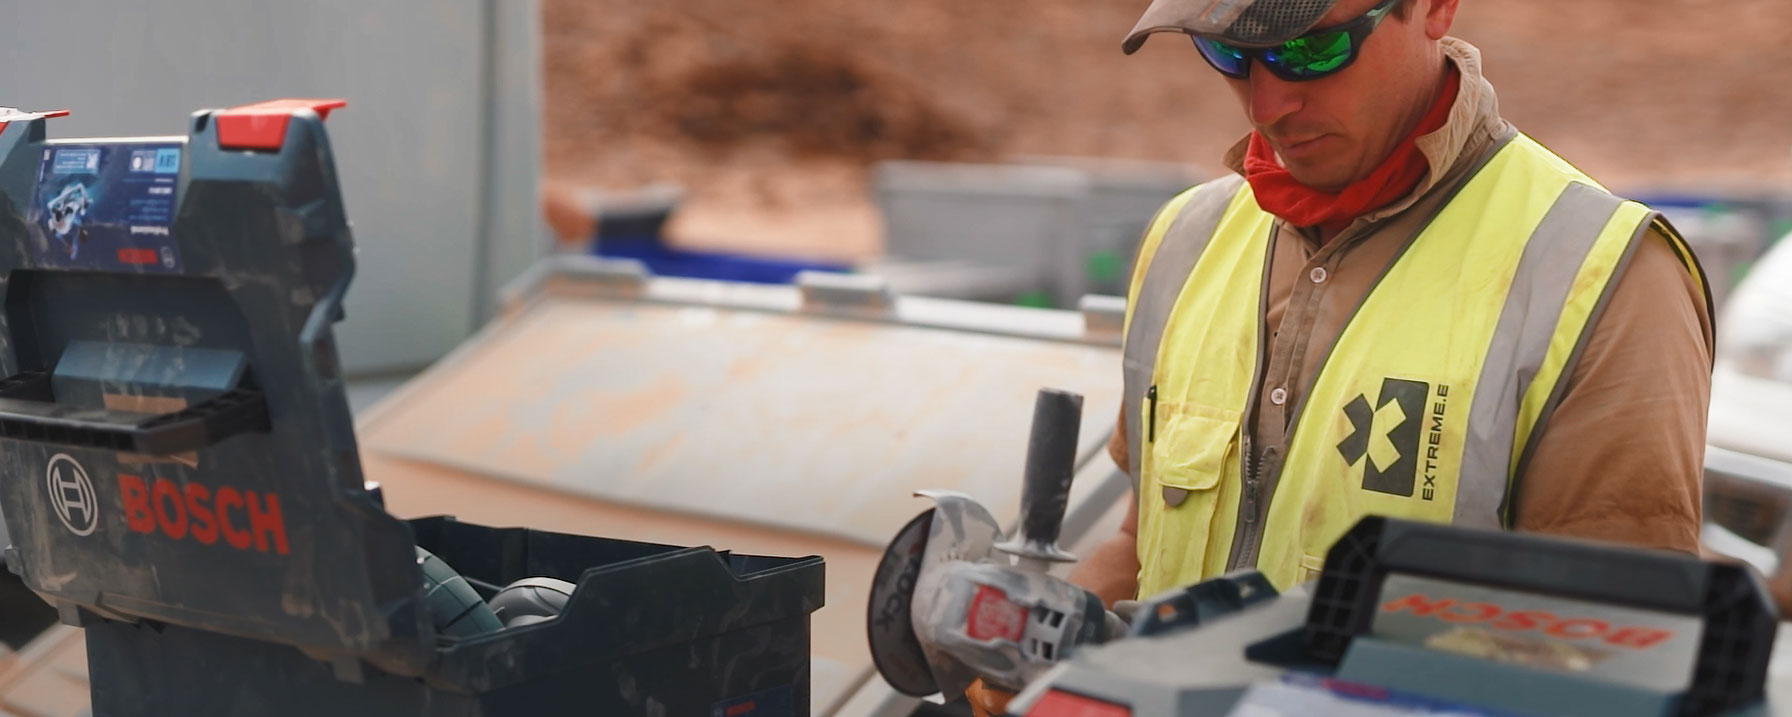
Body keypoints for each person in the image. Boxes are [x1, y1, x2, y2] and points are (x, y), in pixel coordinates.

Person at [1069, 0, 1713, 609]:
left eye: (1311, 49)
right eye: (1228, 51)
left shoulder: (1602, 279)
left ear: (1434, 8)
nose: (1267, 105)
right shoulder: (1186, 241)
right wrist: (1047, 640)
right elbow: (1139, 545)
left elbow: (1609, 652)